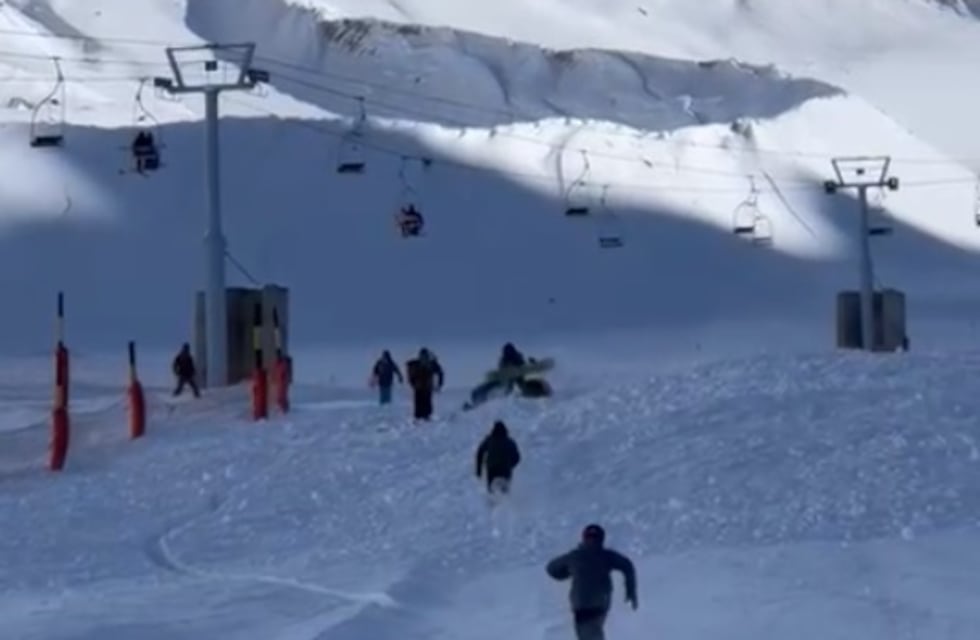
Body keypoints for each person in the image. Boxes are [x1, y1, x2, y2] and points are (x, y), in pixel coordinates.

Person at [546, 524, 638, 640]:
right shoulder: (606, 555)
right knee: (593, 632)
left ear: (584, 538)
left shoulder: (575, 556)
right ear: (601, 539)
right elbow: (627, 565)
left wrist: (567, 572)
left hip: (582, 604)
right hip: (601, 603)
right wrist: (631, 590)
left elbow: (551, 568)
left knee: (588, 635)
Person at [474, 420, 521, 494]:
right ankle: (506, 503)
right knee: (505, 491)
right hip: (505, 469)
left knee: (492, 491)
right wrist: (510, 465)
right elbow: (517, 457)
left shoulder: (489, 440)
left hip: (492, 469)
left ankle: (492, 501)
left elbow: (480, 452)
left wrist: (478, 470)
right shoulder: (509, 441)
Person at [405, 347, 443, 420]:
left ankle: (422, 416)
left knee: (423, 402)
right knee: (423, 402)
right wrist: (439, 384)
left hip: (422, 386)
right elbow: (440, 372)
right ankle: (423, 416)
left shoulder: (424, 364)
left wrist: (412, 383)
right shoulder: (428, 363)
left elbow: (440, 372)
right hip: (422, 386)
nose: (423, 358)